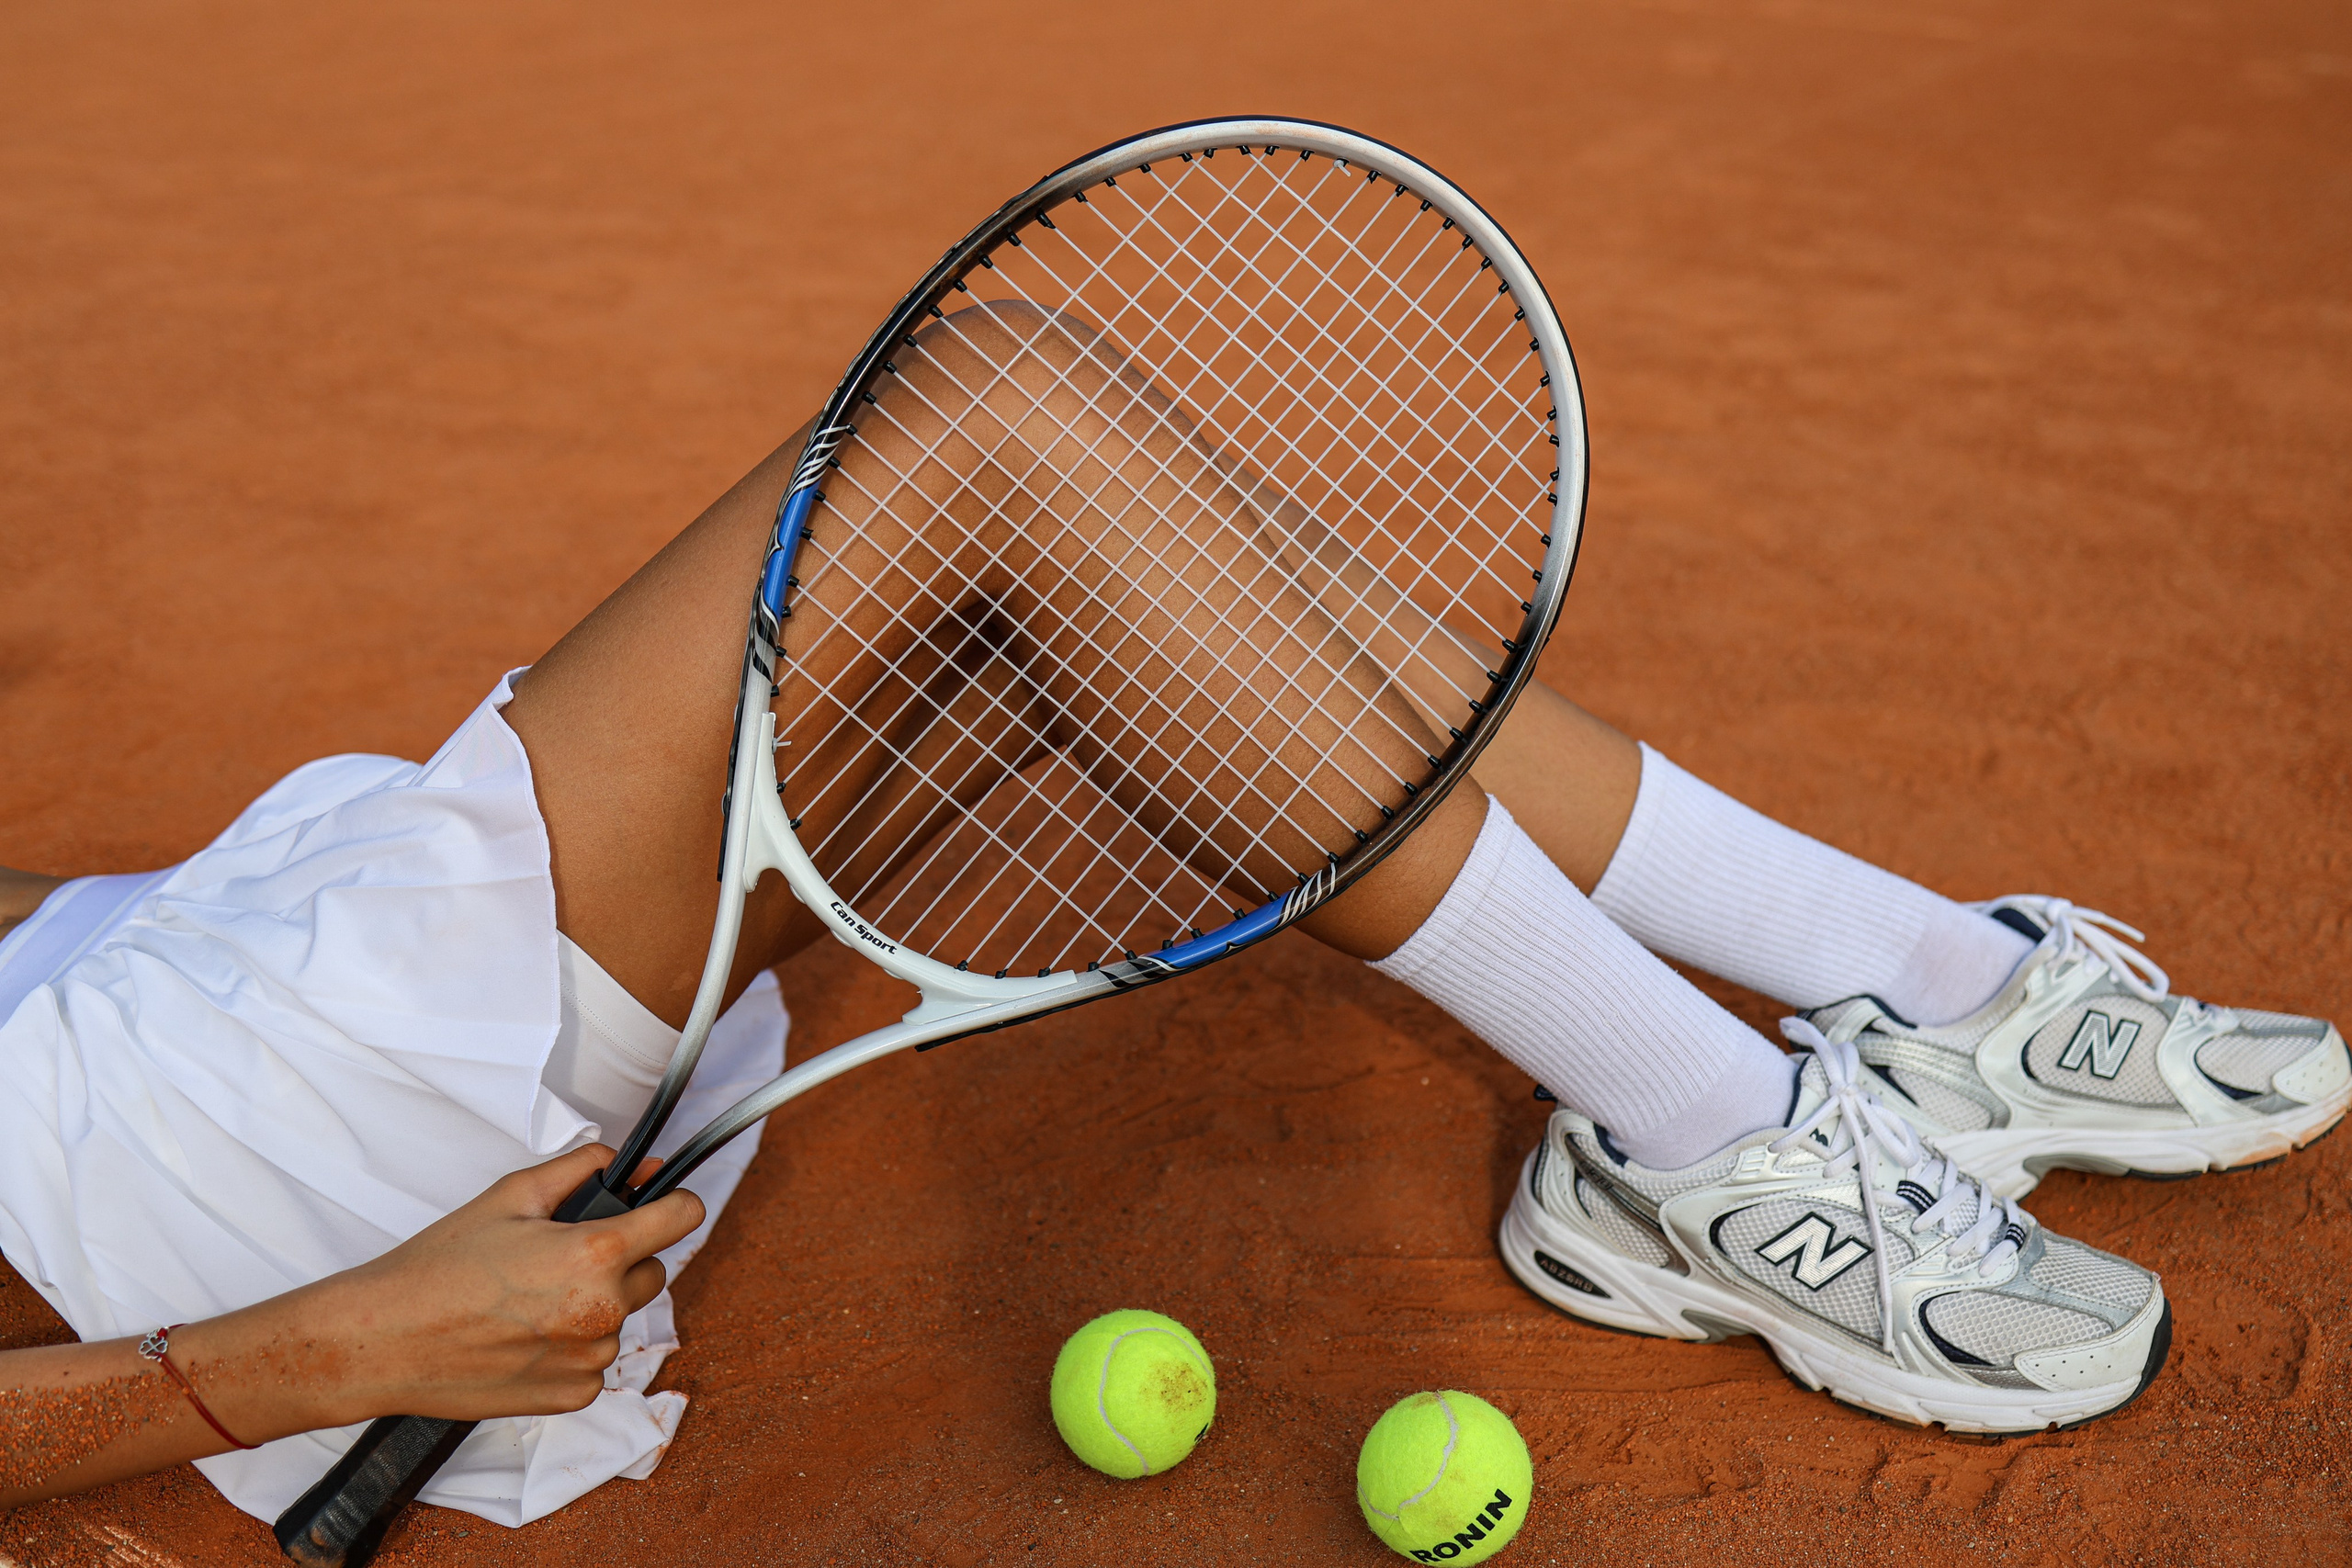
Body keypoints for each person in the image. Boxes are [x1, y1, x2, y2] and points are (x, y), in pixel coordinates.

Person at [2, 304, 2341, 1523]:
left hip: (185, 980)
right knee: (1007, 435)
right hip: (213, 1158)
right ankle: (1712, 1134)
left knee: (1078, 574)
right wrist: (326, 1349)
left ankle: (1925, 986)